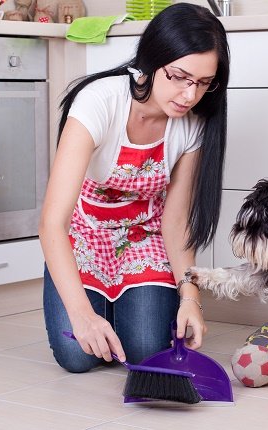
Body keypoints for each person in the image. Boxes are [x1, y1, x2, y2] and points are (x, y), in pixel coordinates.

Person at [38, 3, 230, 373]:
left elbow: (175, 223)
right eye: (179, 77)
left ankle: (117, 307)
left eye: (203, 83)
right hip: (84, 235)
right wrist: (82, 315)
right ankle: (93, 303)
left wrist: (191, 299)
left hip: (143, 238)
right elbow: (52, 223)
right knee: (78, 357)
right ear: (152, 60)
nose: (190, 95)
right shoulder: (99, 101)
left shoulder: (193, 124)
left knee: (144, 349)